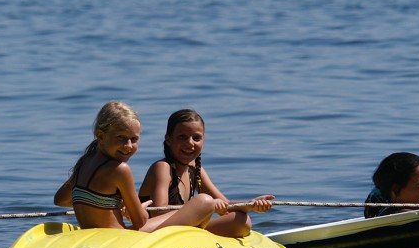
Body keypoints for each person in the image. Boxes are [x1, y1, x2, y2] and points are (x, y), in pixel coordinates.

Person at [54, 101, 217, 232]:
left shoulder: (85, 162)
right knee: (204, 203)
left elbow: (60, 199)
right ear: (101, 136)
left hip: (93, 237)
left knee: (184, 210)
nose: (128, 145)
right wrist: (136, 209)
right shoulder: (120, 170)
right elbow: (140, 221)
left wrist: (105, 206)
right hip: (118, 240)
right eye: (121, 138)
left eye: (134, 139)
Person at [138, 109, 273, 238]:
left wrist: (251, 204)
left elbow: (225, 205)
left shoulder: (195, 170)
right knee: (204, 200)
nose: (190, 143)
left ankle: (200, 238)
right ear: (168, 139)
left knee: (241, 221)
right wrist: (204, 207)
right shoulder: (162, 168)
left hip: (181, 231)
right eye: (182, 137)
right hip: (152, 232)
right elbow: (159, 212)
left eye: (196, 138)